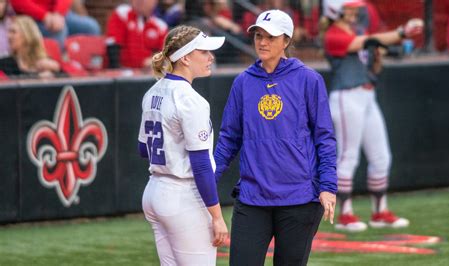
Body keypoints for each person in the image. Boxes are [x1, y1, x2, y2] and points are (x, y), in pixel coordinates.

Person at [214, 9, 338, 265]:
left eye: (271, 36)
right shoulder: (243, 82)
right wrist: (207, 181)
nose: (262, 42)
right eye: (258, 35)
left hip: (300, 198)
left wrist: (327, 186)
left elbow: (324, 137)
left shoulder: (308, 80)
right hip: (252, 197)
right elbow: (228, 139)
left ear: (287, 40)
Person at [321, 0, 423, 232]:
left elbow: (377, 48)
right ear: (335, 10)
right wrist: (401, 32)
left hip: (367, 95)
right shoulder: (332, 35)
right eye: (349, 8)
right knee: (348, 156)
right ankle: (345, 214)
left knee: (381, 157)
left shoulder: (357, 29)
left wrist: (400, 43)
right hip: (346, 97)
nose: (355, 11)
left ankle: (380, 211)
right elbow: (368, 42)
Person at [138, 25, 228, 265]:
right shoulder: (190, 99)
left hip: (155, 190)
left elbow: (142, 149)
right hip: (183, 196)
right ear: (186, 58)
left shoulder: (153, 91)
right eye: (204, 52)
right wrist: (217, 217)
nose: (211, 58)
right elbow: (200, 166)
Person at [10, 0, 101, 48]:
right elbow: (18, 2)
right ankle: (58, 71)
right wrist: (45, 16)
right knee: (59, 31)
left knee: (91, 27)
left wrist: (58, 14)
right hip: (31, 17)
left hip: (58, 14)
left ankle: (88, 68)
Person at [106, 0, 168, 68]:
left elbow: (165, 55)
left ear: (155, 2)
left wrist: (154, 61)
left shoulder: (160, 26)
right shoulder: (122, 13)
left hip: (149, 73)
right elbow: (112, 47)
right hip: (123, 72)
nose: (140, 1)